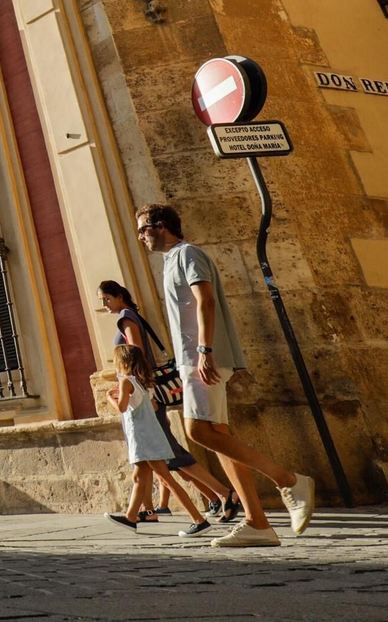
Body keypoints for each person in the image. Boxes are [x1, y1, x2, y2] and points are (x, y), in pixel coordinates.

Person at [137, 202, 316, 547]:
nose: (140, 237)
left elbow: (206, 301)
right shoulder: (170, 260)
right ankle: (258, 523)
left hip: (202, 358)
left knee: (197, 431)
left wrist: (205, 350)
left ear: (160, 226)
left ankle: (289, 481)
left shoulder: (188, 253)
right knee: (219, 438)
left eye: (143, 229)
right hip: (194, 359)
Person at [96, 280, 235, 522]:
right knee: (161, 457)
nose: (104, 305)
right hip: (146, 390)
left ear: (119, 296)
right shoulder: (133, 315)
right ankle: (149, 511)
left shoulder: (125, 318)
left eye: (107, 299)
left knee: (169, 452)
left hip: (142, 393)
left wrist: (127, 384)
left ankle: (223, 494)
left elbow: (135, 352)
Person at [106, 344, 211, 537]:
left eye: (115, 361)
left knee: (166, 479)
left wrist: (110, 397)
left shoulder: (126, 382)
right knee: (138, 477)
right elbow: (154, 407)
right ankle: (130, 518)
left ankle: (199, 520)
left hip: (143, 438)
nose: (114, 365)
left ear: (124, 362)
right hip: (150, 435)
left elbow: (121, 408)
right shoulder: (142, 383)